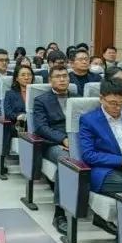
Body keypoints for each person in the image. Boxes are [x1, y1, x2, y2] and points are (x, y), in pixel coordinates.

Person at [80, 79, 122, 196]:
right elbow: (88, 155)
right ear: (101, 99)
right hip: (106, 169)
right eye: (113, 103)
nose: (118, 108)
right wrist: (121, 161)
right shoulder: (89, 120)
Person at [34, 64, 72, 232]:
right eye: (58, 76)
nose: (62, 79)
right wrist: (63, 139)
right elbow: (41, 128)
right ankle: (59, 213)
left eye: (65, 76)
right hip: (53, 143)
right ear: (50, 80)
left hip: (77, 141)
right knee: (67, 161)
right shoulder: (41, 100)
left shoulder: (78, 98)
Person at [5, 63, 34, 129]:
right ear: (17, 78)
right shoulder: (10, 94)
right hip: (19, 126)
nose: (26, 78)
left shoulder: (38, 93)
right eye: (23, 75)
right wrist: (18, 116)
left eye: (29, 75)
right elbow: (8, 113)